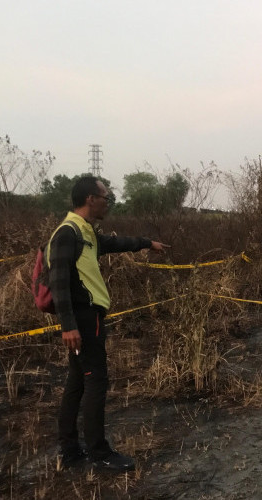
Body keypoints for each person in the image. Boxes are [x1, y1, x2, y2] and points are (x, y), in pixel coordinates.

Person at [49, 176, 169, 471]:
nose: (108, 202)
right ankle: (99, 453)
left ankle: (70, 451)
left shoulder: (85, 232)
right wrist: (69, 325)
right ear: (91, 198)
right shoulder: (68, 232)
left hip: (86, 318)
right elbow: (59, 283)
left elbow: (114, 243)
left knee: (77, 382)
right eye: (106, 197)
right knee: (96, 381)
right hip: (84, 319)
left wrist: (146, 244)